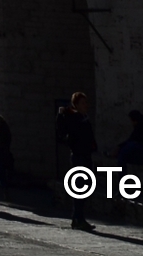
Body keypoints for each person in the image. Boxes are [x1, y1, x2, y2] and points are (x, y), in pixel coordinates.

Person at [55, 92, 95, 232]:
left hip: (86, 155)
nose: (86, 105)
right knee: (81, 188)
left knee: (86, 187)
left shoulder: (84, 118)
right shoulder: (74, 118)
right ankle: (78, 218)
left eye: (86, 102)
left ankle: (77, 218)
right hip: (79, 156)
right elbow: (63, 133)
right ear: (76, 105)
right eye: (83, 103)